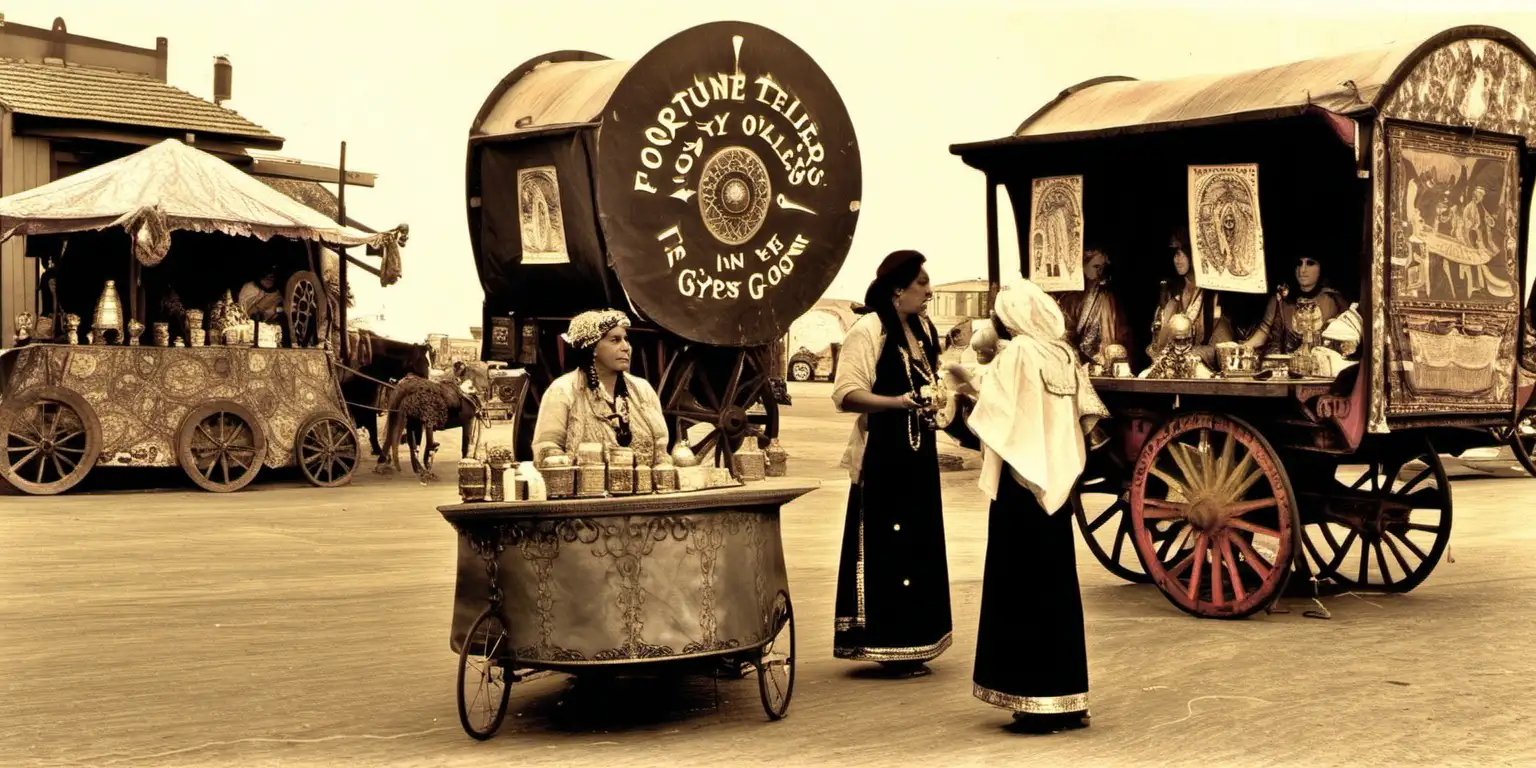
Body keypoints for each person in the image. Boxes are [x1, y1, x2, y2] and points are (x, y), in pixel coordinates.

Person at [946, 278, 1107, 733]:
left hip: (1022, 486)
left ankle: (1033, 699)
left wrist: (961, 390)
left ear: (1009, 318)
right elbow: (1084, 415)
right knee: (1055, 586)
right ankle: (1068, 697)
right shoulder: (1061, 353)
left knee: (1020, 588)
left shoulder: (1017, 354)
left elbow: (994, 415)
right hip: (1055, 486)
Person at [831, 250, 953, 675]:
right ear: (898, 288)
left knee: (918, 543)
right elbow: (847, 394)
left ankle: (917, 640)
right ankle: (887, 643)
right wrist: (898, 402)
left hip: (918, 455)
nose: (930, 291)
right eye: (922, 283)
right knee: (889, 545)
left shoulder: (923, 328)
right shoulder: (869, 329)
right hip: (884, 454)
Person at [530, 309, 668, 464]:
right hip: (586, 486)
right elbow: (546, 445)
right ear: (592, 347)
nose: (625, 347)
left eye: (626, 339)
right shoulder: (563, 390)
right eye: (615, 340)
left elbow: (661, 447)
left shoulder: (643, 390)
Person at [1150, 230, 1234, 368]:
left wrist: (1186, 356)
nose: (1177, 260)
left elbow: (1222, 347)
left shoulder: (1214, 296)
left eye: (1182, 253)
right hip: (1170, 368)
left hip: (1201, 372)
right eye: (1175, 254)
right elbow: (1159, 343)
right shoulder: (1173, 294)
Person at [1241, 253, 1347, 355]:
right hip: (1286, 365)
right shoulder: (1281, 297)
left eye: (1310, 263)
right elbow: (1262, 334)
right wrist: (1239, 348)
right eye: (1299, 264)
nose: (1302, 270)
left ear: (1321, 267)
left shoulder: (1334, 300)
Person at [1055, 244, 1133, 370]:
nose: (1099, 272)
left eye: (1102, 267)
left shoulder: (1106, 296)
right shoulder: (1069, 298)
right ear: (1083, 266)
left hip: (1101, 359)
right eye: (1096, 267)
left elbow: (1116, 332)